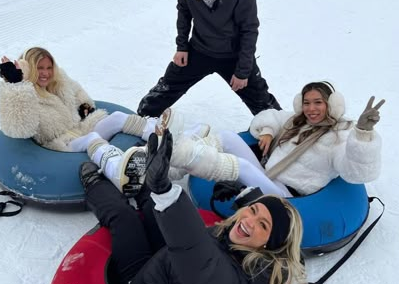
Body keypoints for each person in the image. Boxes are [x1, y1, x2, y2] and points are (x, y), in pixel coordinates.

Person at [79, 130, 306, 284]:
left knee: (124, 218)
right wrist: (243, 195)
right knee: (150, 202)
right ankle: (138, 180)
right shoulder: (249, 247)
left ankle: (94, 183)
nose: (248, 221)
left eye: (263, 225)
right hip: (168, 261)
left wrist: (166, 192)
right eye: (253, 211)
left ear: (271, 244)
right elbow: (251, 221)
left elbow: (197, 253)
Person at [0, 46, 186, 194]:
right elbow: (19, 126)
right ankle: (117, 168)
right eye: (39, 68)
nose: (45, 73)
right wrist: (16, 85)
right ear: (28, 69)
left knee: (117, 118)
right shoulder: (25, 96)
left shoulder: (58, 83)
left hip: (80, 128)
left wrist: (85, 110)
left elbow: (78, 95)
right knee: (92, 139)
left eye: (48, 68)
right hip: (61, 143)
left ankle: (162, 133)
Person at [136, 0, 280, 118]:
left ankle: (287, 137)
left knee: (264, 105)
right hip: (200, 48)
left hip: (233, 55)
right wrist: (182, 46)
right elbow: (184, 9)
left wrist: (243, 71)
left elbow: (249, 29)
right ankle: (138, 124)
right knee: (162, 92)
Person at [162, 81, 384, 198]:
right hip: (267, 174)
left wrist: (362, 134)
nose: (311, 108)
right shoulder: (298, 120)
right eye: (306, 102)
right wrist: (268, 130)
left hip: (287, 195)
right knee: (228, 137)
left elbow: (356, 172)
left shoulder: (340, 135)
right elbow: (272, 116)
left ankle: (178, 152)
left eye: (318, 102)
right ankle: (169, 168)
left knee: (241, 167)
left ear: (331, 104)